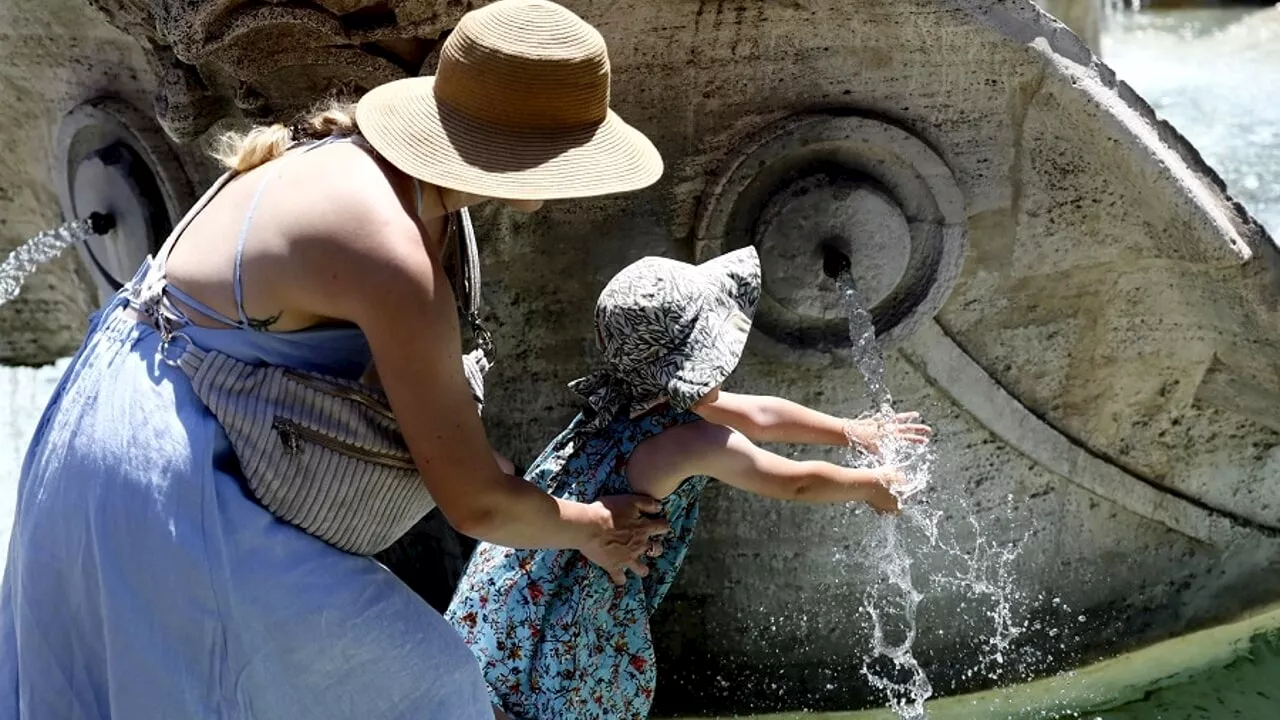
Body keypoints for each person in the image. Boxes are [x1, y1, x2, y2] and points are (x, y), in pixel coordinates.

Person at [0, 1, 673, 718]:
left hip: (121, 432)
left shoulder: (366, 162)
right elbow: (474, 502)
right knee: (426, 691)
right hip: (166, 483)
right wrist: (595, 528)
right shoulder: (389, 253)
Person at [444, 247, 933, 720]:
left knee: (499, 684)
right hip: (573, 608)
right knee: (556, 698)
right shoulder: (692, 443)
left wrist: (849, 430)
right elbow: (793, 484)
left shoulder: (634, 394)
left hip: (523, 580)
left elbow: (761, 414)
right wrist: (870, 485)